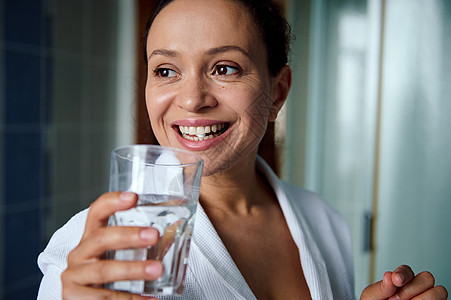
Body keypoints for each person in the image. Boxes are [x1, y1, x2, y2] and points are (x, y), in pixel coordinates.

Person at [37, 0, 448, 299]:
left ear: (277, 93)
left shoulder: (324, 221)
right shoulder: (91, 254)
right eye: (166, 70)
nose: (193, 99)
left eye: (224, 68)